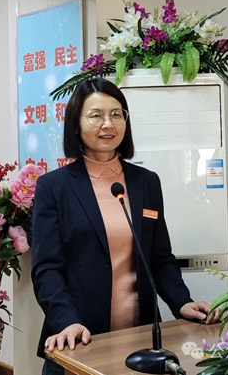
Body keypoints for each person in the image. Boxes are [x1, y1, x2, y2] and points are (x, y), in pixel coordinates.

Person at [31, 78, 217, 375]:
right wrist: (66, 320)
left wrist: (182, 302)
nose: (108, 124)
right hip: (80, 336)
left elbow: (160, 258)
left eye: (117, 114)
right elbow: (47, 268)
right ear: (76, 124)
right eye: (96, 115)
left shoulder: (146, 182)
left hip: (141, 336)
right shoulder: (54, 187)